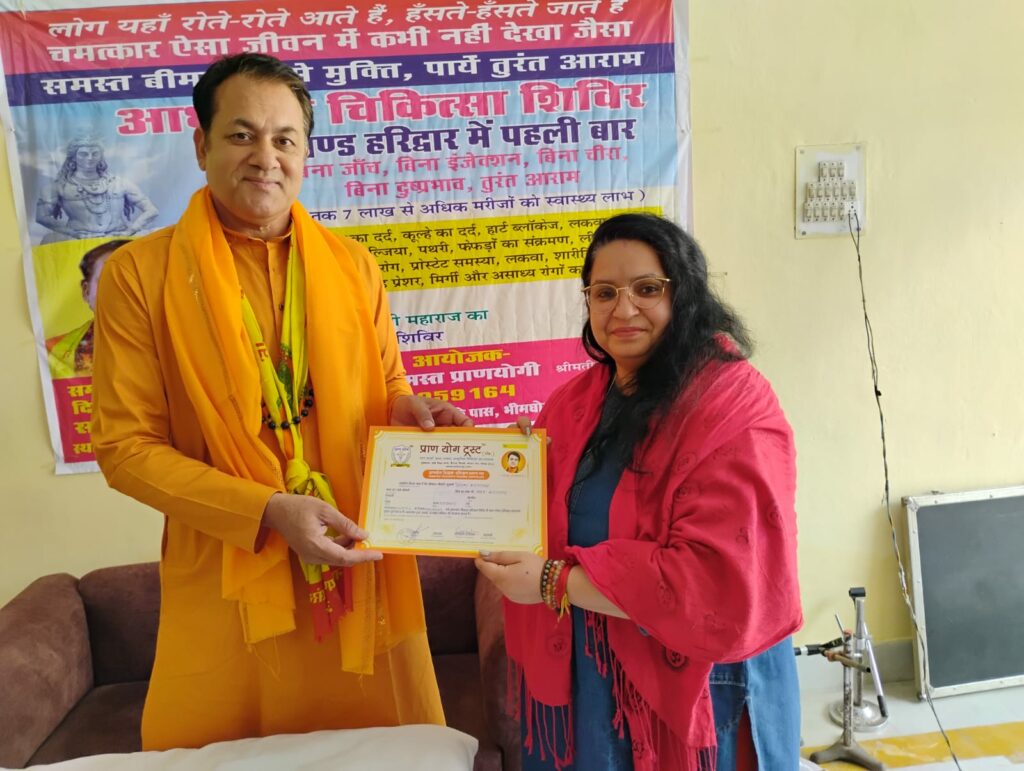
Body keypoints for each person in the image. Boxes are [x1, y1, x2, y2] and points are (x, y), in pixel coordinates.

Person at [91, 53, 471, 752]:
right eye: (241, 135)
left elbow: (388, 388)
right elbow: (124, 450)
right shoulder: (141, 275)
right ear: (201, 144)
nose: (265, 157)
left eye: (284, 139)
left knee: (378, 754)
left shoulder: (353, 266)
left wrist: (411, 413)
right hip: (230, 576)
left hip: (356, 559)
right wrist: (265, 510)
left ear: (305, 153)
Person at [476, 213, 802, 771]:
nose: (623, 310)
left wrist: (553, 582)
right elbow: (542, 509)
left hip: (699, 688)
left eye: (647, 289)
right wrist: (491, 461)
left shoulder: (732, 407)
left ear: (685, 293)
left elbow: (714, 581)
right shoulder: (578, 400)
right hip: (594, 675)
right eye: (604, 293)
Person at [35, 136, 158, 242]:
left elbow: (151, 210)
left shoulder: (119, 183)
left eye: (95, 153)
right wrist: (72, 233)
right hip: (79, 240)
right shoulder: (59, 186)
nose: (90, 158)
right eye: (84, 154)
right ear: (73, 157)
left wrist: (130, 230)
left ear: (101, 156)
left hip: (117, 237)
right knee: (49, 239)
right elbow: (42, 216)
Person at [46, 238, 129, 378]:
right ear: (86, 291)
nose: (121, 289)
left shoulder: (168, 341)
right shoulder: (52, 351)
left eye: (136, 278)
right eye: (107, 278)